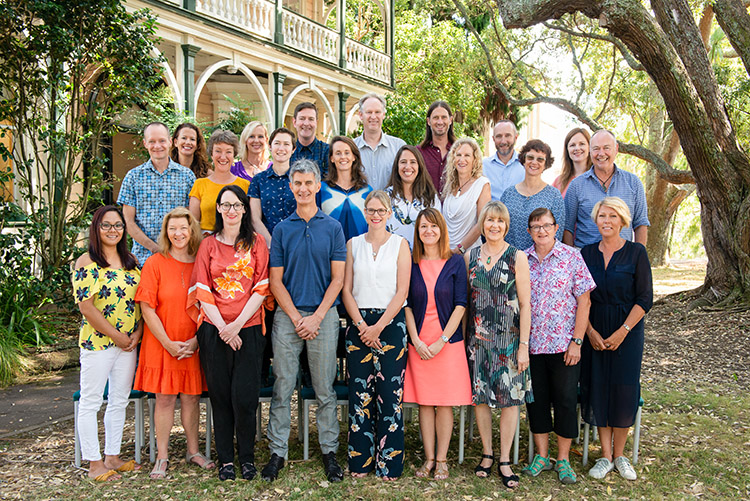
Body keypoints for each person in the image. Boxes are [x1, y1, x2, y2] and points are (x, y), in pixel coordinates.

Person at [262, 160, 347, 483]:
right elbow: (275, 281)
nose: (303, 189)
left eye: (308, 183)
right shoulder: (283, 229)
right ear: (291, 186)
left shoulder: (333, 227)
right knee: (283, 387)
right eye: (297, 183)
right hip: (288, 316)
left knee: (324, 388)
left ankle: (329, 452)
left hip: (324, 316)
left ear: (317, 186)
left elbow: (338, 280)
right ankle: (277, 452)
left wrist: (318, 317)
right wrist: (298, 318)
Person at [189, 184, 272, 481]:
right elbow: (201, 290)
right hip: (214, 331)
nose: (231, 210)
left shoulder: (258, 243)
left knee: (245, 398)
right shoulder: (208, 245)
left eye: (237, 205)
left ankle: (246, 459)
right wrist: (224, 328)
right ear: (219, 210)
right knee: (221, 397)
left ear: (244, 209)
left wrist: (236, 325)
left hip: (248, 329)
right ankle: (226, 460)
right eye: (226, 205)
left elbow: (262, 287)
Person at [133, 208, 213, 479]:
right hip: (161, 343)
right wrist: (167, 342)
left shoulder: (201, 262)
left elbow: (209, 304)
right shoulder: (154, 263)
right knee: (165, 399)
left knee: (191, 399)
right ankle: (162, 456)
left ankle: (193, 451)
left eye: (183, 228)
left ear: (192, 231)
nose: (178, 233)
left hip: (193, 342)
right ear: (166, 232)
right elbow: (147, 308)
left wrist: (196, 341)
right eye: (172, 228)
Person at [580, 197, 653, 481]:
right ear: (595, 220)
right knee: (598, 387)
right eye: (602, 216)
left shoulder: (636, 253)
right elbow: (579, 297)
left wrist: (623, 331)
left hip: (628, 331)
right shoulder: (586, 253)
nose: (606, 221)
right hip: (594, 328)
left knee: (623, 390)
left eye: (612, 216)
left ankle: (620, 455)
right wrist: (590, 332)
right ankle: (604, 456)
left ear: (623, 221)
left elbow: (645, 298)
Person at [522, 208, 595, 485]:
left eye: (546, 225)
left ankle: (563, 459)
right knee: (536, 402)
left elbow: (584, 302)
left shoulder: (572, 257)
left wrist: (577, 341)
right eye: (536, 226)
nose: (541, 230)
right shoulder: (522, 259)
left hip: (565, 346)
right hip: (532, 345)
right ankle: (542, 455)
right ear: (529, 231)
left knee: (565, 401)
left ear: (556, 228)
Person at [342, 190, 411, 480]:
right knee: (360, 396)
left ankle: (389, 464)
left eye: (381, 210)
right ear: (365, 212)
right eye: (371, 210)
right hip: (358, 325)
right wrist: (361, 326)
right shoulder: (353, 244)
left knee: (389, 397)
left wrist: (378, 327)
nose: (375, 215)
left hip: (390, 325)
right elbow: (346, 289)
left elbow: (402, 291)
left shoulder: (400, 245)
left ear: (389, 213)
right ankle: (361, 462)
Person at [72, 206, 142, 481]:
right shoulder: (86, 262)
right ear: (96, 228)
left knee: (119, 400)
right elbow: (86, 307)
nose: (113, 230)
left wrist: (136, 333)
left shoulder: (130, 260)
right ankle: (94, 463)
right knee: (90, 402)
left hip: (128, 343)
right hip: (98, 343)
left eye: (118, 225)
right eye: (106, 225)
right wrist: (115, 335)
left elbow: (138, 300)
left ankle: (112, 455)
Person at [465, 201, 532, 489]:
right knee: (480, 398)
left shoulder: (517, 257)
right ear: (482, 224)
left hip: (509, 340)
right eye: (490, 220)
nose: (494, 226)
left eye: (500, 221)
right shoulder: (471, 255)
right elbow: (465, 302)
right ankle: (487, 453)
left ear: (506, 225)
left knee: (509, 400)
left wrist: (524, 346)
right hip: (478, 341)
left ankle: (505, 458)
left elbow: (527, 304)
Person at [403, 208, 471, 481]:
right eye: (423, 227)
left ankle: (442, 459)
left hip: (448, 343)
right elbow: (405, 303)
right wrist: (416, 340)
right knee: (424, 403)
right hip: (419, 343)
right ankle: (429, 458)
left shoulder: (455, 262)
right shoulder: (410, 262)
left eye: (433, 226)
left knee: (444, 404)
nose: (428, 231)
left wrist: (443, 340)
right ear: (417, 232)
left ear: (442, 229)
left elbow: (460, 304)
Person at [118, 122, 195, 266]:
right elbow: (129, 222)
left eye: (162, 141)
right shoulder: (133, 177)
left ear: (171, 142)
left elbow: (192, 219)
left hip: (179, 258)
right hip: (143, 260)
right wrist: (155, 248)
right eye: (152, 141)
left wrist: (174, 249)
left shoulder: (187, 176)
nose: (157, 146)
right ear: (145, 143)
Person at [563, 129, 649, 248]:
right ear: (590, 151)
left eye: (606, 148)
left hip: (623, 260)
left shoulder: (633, 183)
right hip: (585, 260)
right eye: (596, 148)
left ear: (616, 149)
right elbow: (567, 227)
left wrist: (638, 257)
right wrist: (573, 259)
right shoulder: (576, 185)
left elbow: (641, 223)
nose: (601, 153)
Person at [500, 139, 565, 251]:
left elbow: (557, 234)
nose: (534, 162)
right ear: (523, 160)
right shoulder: (508, 194)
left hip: (541, 261)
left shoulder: (554, 196)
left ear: (546, 164)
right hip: (508, 259)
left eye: (540, 159)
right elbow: (500, 226)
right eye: (530, 157)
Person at [189, 130, 250, 233]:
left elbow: (248, 222)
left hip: (236, 241)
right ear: (211, 154)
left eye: (228, 152)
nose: (223, 157)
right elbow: (193, 224)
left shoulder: (245, 185)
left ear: (234, 155)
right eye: (218, 151)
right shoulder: (200, 184)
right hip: (205, 241)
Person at [248, 127, 298, 248]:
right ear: (270, 146)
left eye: (286, 144)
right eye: (277, 143)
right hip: (267, 246)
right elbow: (254, 218)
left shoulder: (300, 179)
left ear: (293, 149)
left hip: (297, 244)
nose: (281, 148)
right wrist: (272, 244)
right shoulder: (258, 180)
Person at [442, 137, 491, 254]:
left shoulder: (482, 184)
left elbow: (481, 223)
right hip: (446, 253)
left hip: (470, 254)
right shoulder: (450, 186)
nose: (461, 159)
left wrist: (459, 249)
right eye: (458, 155)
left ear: (475, 160)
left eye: (467, 155)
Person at [319, 135, 373, 242]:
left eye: (347, 152)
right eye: (338, 153)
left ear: (354, 157)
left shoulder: (367, 191)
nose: (343, 157)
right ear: (332, 158)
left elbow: (373, 225)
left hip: (360, 252)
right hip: (330, 252)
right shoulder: (321, 189)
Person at [385, 146, 441, 248]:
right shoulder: (386, 197)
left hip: (423, 258)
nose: (408, 166)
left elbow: (438, 230)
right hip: (394, 258)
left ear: (420, 166)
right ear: (397, 166)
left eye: (413, 162)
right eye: (403, 162)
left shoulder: (431, 197)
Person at [354, 93, 406, 191]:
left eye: (377, 112)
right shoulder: (351, 148)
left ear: (383, 115)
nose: (373, 117)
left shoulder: (399, 147)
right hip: (360, 206)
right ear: (361, 115)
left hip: (391, 206)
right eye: (369, 112)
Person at [417, 101, 455, 192]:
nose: (440, 122)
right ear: (428, 121)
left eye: (444, 117)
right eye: (435, 118)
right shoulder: (418, 153)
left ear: (450, 120)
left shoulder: (459, 151)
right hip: (427, 205)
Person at [482, 120, 525, 201]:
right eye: (499, 136)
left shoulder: (525, 165)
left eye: (508, 136)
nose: (503, 141)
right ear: (493, 139)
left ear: (515, 137)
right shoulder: (483, 166)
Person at [290, 102, 330, 178]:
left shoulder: (327, 151)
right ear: (294, 122)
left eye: (311, 119)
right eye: (302, 119)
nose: (306, 123)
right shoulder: (289, 152)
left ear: (316, 123)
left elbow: (329, 183)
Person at [553, 128, 591, 197]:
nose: (577, 148)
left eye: (582, 144)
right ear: (567, 149)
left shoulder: (598, 178)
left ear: (589, 147)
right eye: (572, 145)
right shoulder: (559, 181)